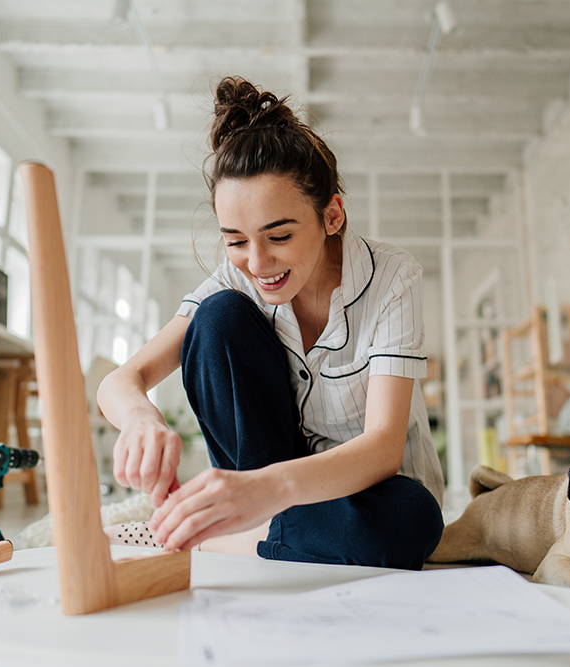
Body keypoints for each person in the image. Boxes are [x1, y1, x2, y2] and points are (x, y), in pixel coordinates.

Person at [97, 76, 445, 570]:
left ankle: (209, 536)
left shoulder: (393, 277)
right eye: (236, 241)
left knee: (412, 521)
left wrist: (267, 489)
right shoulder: (234, 282)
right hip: (268, 486)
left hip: (365, 491)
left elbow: (383, 449)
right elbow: (120, 381)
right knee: (216, 319)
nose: (257, 263)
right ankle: (255, 531)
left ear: (332, 216)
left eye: (278, 235)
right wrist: (138, 418)